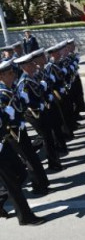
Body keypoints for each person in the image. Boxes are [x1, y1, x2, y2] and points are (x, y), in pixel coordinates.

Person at [0, 60, 50, 195]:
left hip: (20, 128)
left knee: (31, 156)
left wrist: (22, 101)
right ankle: (38, 185)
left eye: (13, 72)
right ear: (1, 76)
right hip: (13, 132)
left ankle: (42, 183)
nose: (13, 75)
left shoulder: (11, 88)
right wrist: (11, 116)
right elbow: (3, 117)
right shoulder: (2, 94)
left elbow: (19, 107)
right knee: (27, 158)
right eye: (9, 73)